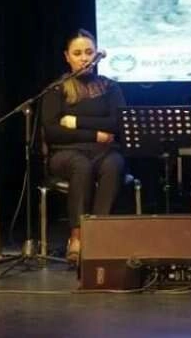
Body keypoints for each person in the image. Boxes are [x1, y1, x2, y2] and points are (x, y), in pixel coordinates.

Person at [40, 29, 126, 264]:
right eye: (77, 53)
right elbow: (53, 131)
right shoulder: (57, 89)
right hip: (66, 153)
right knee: (81, 165)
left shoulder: (110, 87)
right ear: (67, 57)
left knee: (114, 164)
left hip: (104, 151)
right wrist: (95, 134)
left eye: (89, 52)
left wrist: (76, 122)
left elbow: (117, 122)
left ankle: (99, 234)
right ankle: (77, 237)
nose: (84, 58)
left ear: (96, 55)